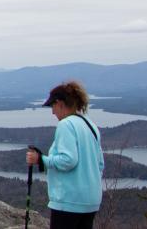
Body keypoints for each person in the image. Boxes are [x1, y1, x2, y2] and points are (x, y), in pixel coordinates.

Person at [26, 81, 104, 229]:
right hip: (91, 202)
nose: (53, 112)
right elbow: (100, 164)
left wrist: (40, 159)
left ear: (60, 103)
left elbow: (68, 160)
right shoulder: (90, 125)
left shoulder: (66, 124)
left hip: (69, 202)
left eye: (52, 106)